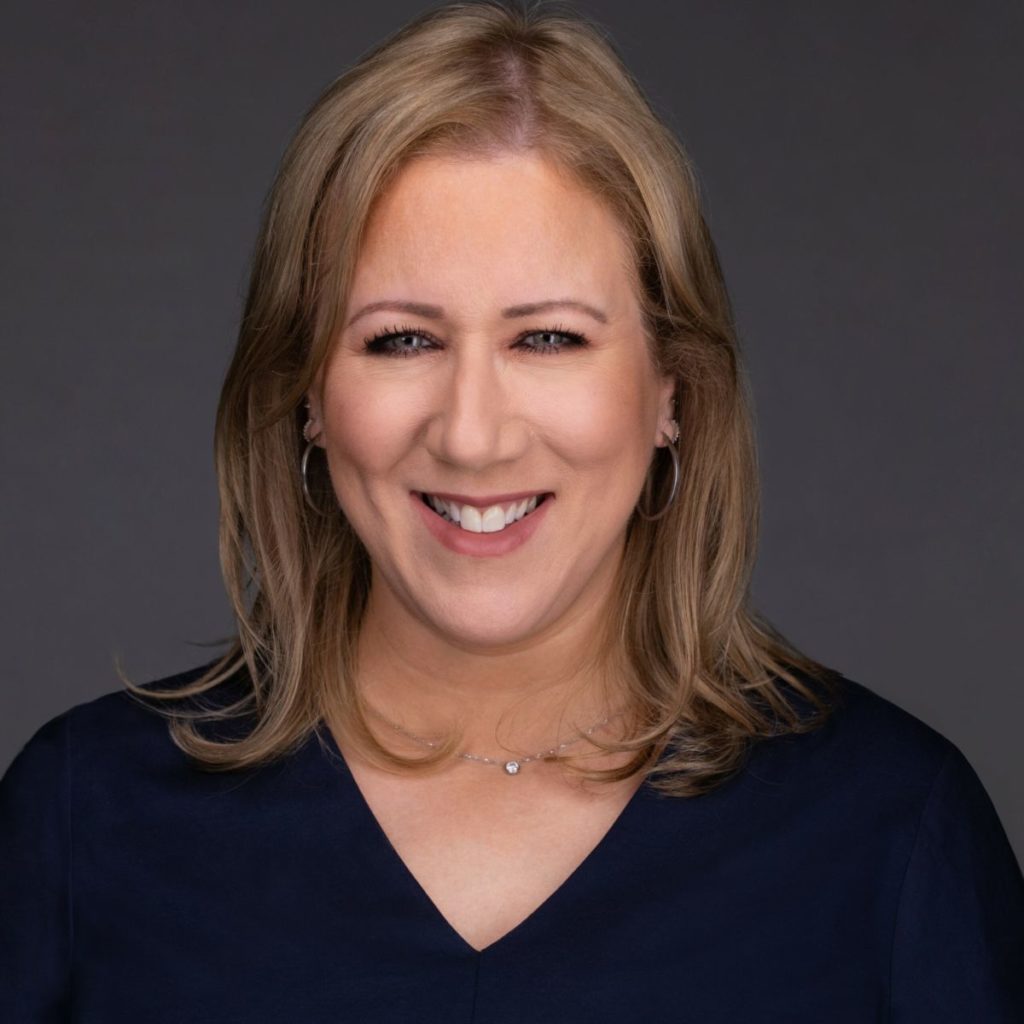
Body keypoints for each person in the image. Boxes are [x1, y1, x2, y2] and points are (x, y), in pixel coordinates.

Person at [2, 1, 1022, 1019]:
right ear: (306, 392)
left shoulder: (891, 833)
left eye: (548, 340)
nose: (474, 435)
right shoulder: (82, 819)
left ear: (672, 387)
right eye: (401, 339)